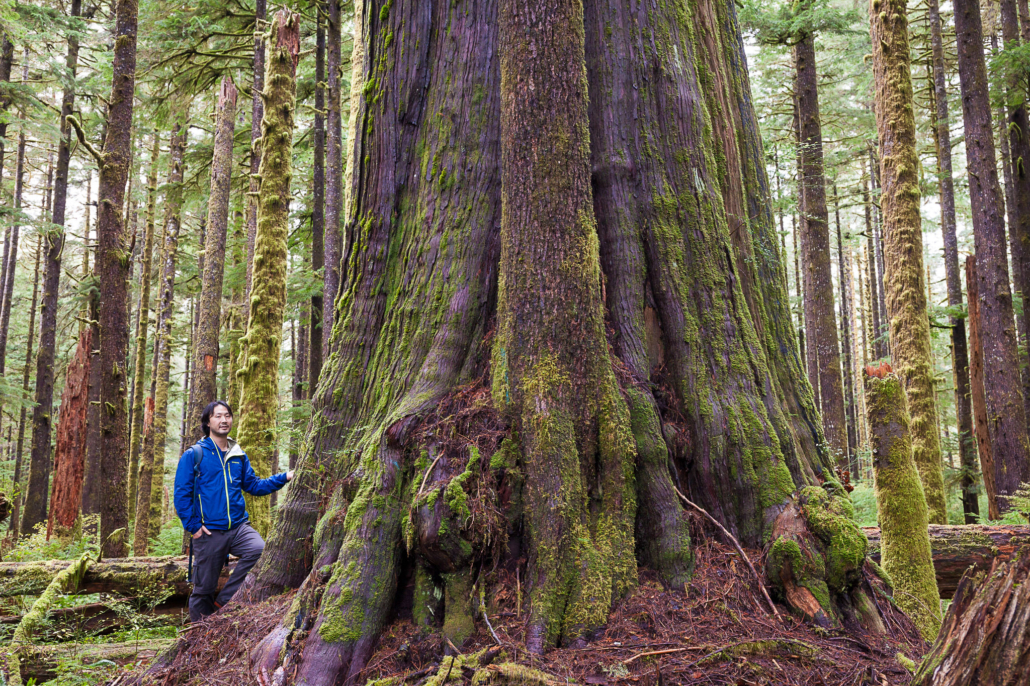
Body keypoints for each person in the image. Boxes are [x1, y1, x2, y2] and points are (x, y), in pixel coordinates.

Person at [173, 400, 294, 621]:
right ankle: (198, 636)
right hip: (209, 531)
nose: (224, 420)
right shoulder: (195, 455)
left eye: (227, 415)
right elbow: (181, 494)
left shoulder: (238, 455)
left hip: (239, 527)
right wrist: (194, 527)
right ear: (208, 421)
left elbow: (255, 486)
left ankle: (225, 602)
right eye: (218, 416)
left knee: (259, 551)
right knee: (203, 589)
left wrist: (284, 477)